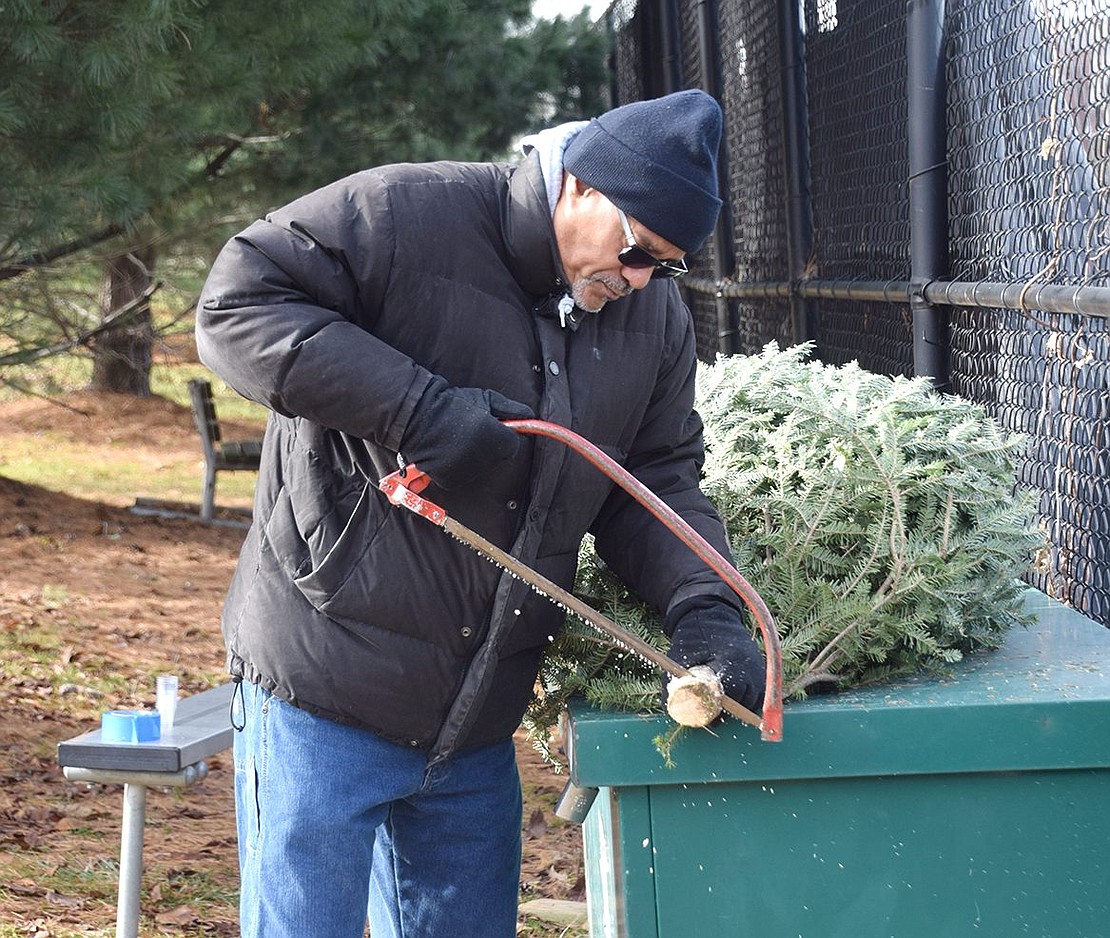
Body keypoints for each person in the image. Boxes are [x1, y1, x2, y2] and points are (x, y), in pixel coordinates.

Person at [194, 88, 767, 938]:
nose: (642, 278)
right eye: (638, 249)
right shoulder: (403, 213)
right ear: (581, 186)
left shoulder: (652, 319)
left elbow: (655, 479)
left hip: (474, 721)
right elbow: (236, 307)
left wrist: (707, 603)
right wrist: (418, 409)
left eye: (668, 265)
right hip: (322, 680)